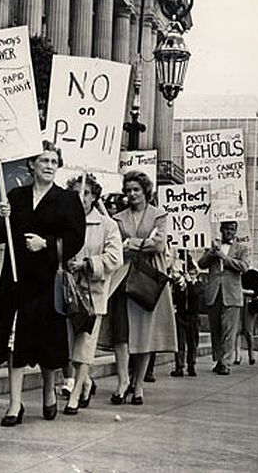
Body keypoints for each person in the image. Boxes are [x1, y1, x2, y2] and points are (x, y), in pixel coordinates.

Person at [0, 140, 85, 426]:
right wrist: (0, 216)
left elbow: (76, 239)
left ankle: (48, 390)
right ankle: (15, 403)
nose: (50, 166)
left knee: (46, 341)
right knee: (14, 343)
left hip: (46, 281)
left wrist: (47, 244)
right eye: (44, 161)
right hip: (15, 280)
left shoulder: (67, 199)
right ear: (32, 164)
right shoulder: (15, 197)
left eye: (54, 162)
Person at [106, 171, 176, 405]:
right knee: (121, 331)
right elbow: (117, 247)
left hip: (148, 278)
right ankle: (123, 381)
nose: (132, 194)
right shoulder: (118, 217)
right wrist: (137, 244)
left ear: (146, 190)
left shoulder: (159, 214)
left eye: (136, 189)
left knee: (146, 331)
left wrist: (131, 243)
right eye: (128, 190)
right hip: (123, 276)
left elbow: (158, 245)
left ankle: (138, 384)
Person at [63, 173, 123, 414]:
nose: (81, 198)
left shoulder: (108, 225)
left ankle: (76, 393)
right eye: (77, 193)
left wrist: (88, 264)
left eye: (86, 193)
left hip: (92, 294)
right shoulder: (65, 221)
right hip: (67, 293)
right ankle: (85, 382)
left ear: (95, 196)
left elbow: (115, 258)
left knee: (85, 347)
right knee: (68, 348)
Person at [198, 221, 250, 375]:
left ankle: (226, 363)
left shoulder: (242, 248)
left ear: (235, 231)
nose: (229, 232)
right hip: (215, 293)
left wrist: (224, 257)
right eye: (226, 229)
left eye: (232, 229)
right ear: (221, 229)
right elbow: (201, 264)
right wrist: (211, 253)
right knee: (216, 329)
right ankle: (219, 360)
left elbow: (245, 267)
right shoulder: (213, 246)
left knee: (229, 330)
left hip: (232, 294)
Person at [170, 253, 202, 377]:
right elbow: (175, 297)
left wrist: (189, 282)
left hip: (193, 316)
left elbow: (195, 294)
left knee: (192, 343)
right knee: (180, 342)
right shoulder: (180, 284)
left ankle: (191, 365)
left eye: (193, 273)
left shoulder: (198, 285)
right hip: (181, 315)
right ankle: (179, 366)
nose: (191, 275)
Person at [235, 269, 258, 366]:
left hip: (249, 302)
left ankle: (251, 354)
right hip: (238, 301)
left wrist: (243, 290)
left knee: (248, 331)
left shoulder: (254, 274)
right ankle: (237, 355)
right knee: (237, 330)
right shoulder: (236, 272)